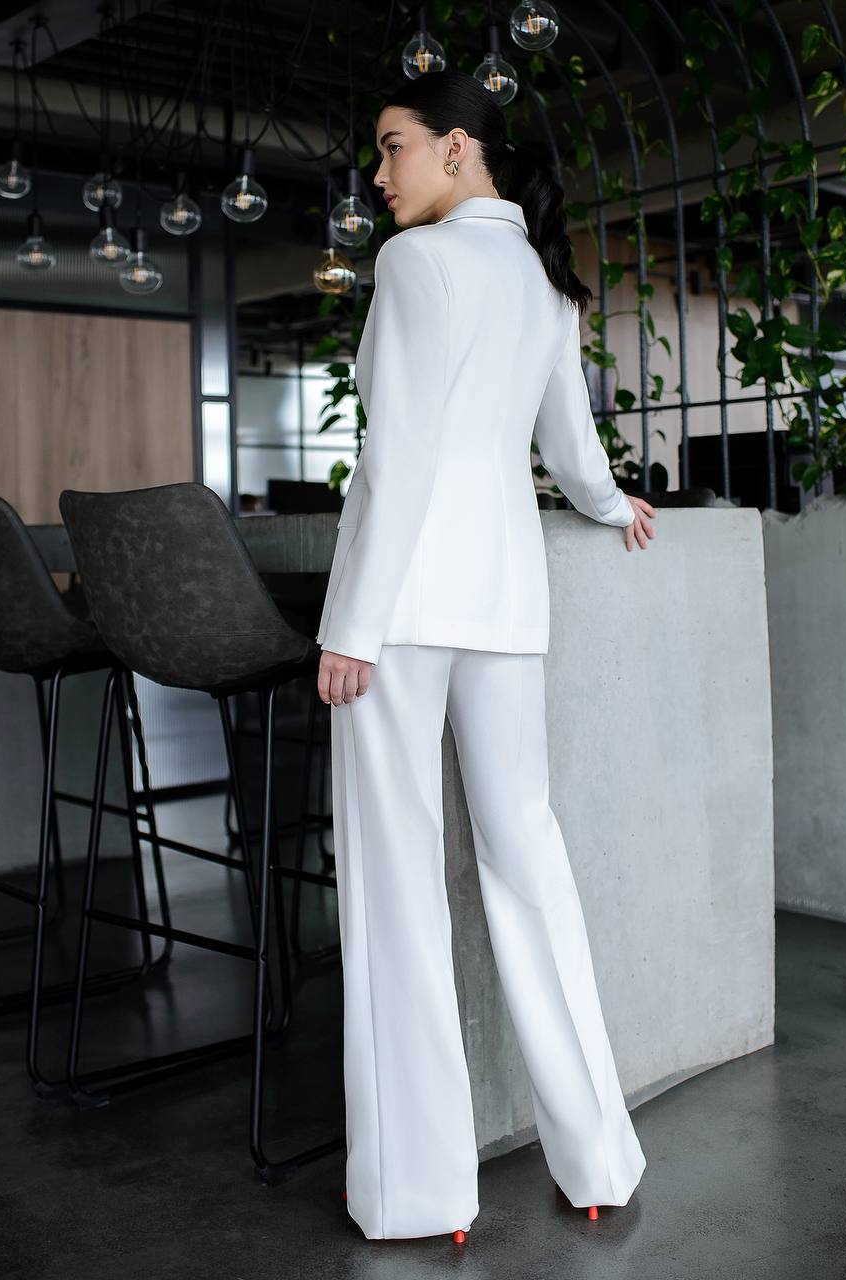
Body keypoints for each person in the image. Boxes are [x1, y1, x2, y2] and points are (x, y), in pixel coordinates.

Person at [314, 68, 657, 1244]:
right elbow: (567, 440)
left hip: (405, 606)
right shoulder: (544, 283)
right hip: (507, 600)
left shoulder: (417, 262)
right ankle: (599, 1156)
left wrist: (350, 623)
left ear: (456, 147)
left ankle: (423, 1190)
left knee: (395, 879)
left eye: (391, 146)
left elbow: (399, 451)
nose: (378, 173)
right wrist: (611, 505)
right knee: (529, 861)